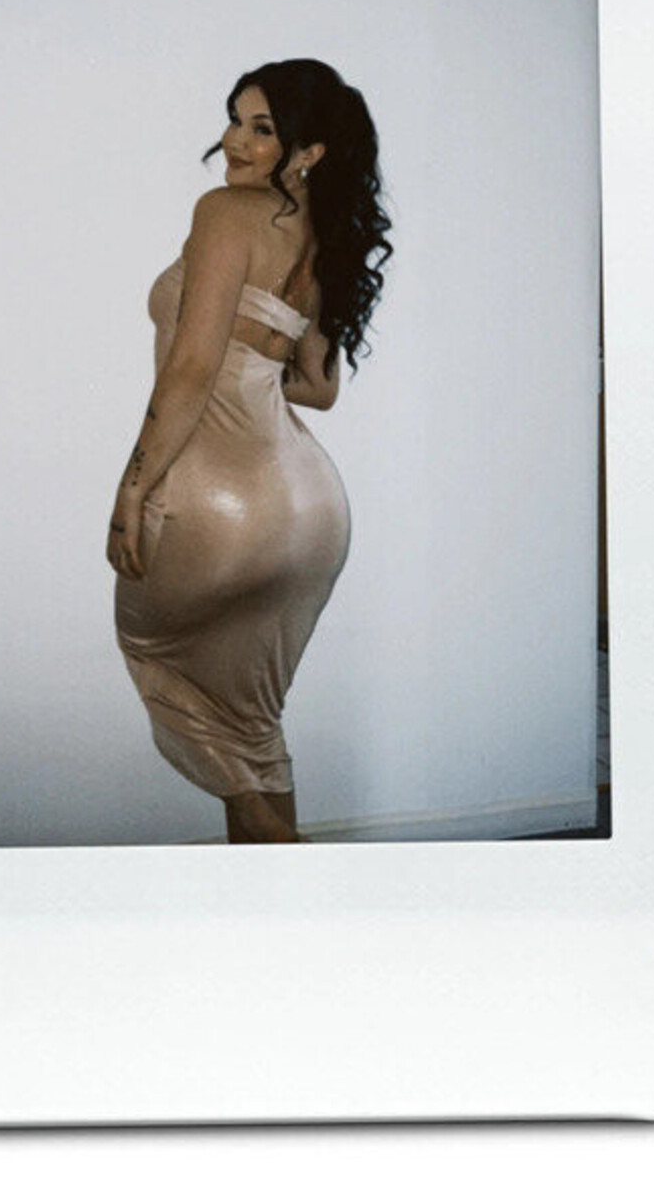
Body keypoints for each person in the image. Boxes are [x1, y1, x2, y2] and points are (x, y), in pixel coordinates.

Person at [108, 59, 392, 843]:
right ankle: (281, 901)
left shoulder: (225, 212)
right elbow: (318, 388)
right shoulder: (324, 238)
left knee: (154, 653)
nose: (235, 140)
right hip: (311, 510)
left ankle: (287, 888)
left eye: (262, 129)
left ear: (310, 151)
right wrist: (253, 364)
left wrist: (133, 490)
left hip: (217, 500)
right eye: (235, 119)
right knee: (252, 730)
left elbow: (192, 367)